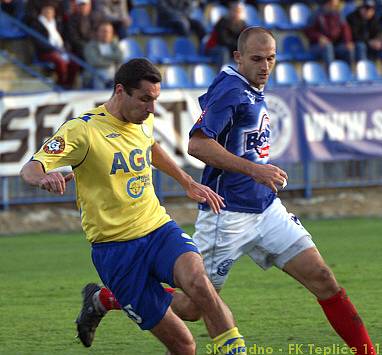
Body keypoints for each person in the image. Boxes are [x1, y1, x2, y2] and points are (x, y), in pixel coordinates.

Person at [84, 27, 377, 355]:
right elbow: (197, 144)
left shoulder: (252, 86)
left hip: (266, 209)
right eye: (256, 59)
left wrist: (256, 173)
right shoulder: (230, 91)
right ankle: (111, 297)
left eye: (271, 58)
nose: (265, 66)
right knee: (194, 308)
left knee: (323, 278)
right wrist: (254, 169)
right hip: (227, 215)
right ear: (238, 57)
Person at [20, 58, 247, 355]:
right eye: (144, 99)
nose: (151, 108)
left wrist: (185, 181)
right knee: (185, 345)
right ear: (119, 91)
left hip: (157, 229)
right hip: (116, 250)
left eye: (154, 100)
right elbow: (30, 167)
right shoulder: (82, 131)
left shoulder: (143, 119)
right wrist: (43, 178)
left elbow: (149, 146)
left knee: (198, 284)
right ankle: (103, 299)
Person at [305, 0, 357, 66]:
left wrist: (347, 42)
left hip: (335, 45)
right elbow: (309, 31)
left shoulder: (338, 14)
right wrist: (319, 37)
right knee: (328, 47)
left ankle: (348, 73)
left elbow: (345, 29)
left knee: (348, 49)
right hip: (317, 46)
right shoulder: (316, 14)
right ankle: (330, 72)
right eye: (334, 3)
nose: (337, 5)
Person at [205, 1, 248, 67]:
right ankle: (223, 75)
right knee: (224, 52)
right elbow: (223, 41)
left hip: (232, 48)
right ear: (230, 11)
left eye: (239, 12)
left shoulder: (243, 25)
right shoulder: (223, 22)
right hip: (214, 48)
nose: (236, 13)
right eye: (234, 11)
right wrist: (237, 46)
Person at [83, 21, 123, 89]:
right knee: (100, 76)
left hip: (113, 75)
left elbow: (120, 56)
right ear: (98, 32)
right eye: (103, 31)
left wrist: (103, 56)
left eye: (109, 32)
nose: (106, 34)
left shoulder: (115, 44)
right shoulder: (90, 46)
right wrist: (112, 61)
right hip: (95, 75)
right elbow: (95, 62)